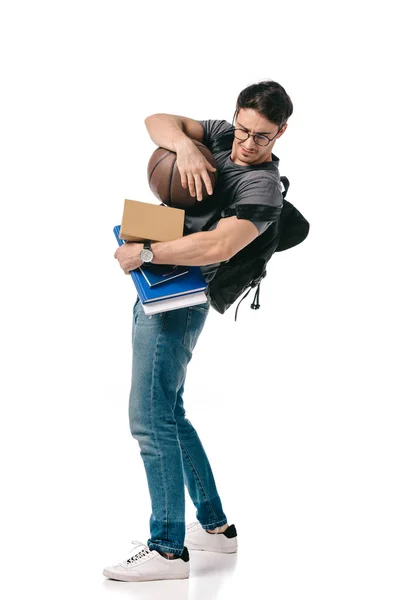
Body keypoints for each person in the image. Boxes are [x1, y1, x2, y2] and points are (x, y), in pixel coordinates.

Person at [103, 80, 293, 582]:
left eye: (263, 137)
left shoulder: (263, 188)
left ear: (282, 134)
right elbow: (155, 122)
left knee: (148, 419)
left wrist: (144, 253)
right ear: (235, 116)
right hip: (159, 283)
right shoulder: (216, 132)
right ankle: (214, 528)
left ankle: (167, 549)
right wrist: (185, 145)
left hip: (178, 300)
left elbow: (219, 247)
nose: (248, 144)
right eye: (244, 129)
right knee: (171, 412)